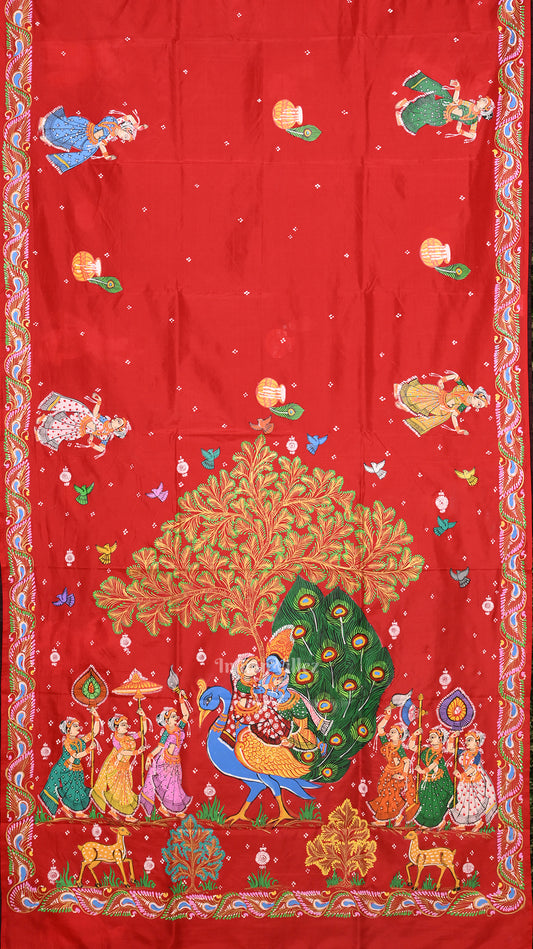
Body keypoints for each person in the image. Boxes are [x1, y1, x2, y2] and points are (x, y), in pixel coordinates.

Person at [39, 106, 147, 173]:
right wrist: (136, 126)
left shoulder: (112, 133)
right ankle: (44, 125)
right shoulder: (115, 124)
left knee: (69, 136)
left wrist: (106, 156)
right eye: (125, 136)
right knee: (68, 131)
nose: (123, 138)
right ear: (125, 129)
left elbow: (102, 144)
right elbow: (129, 117)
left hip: (89, 135)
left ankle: (47, 137)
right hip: (87, 133)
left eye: (125, 139)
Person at [395, 70, 494, 141]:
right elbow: (456, 101)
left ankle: (403, 115)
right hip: (446, 105)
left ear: (484, 109)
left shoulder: (474, 119)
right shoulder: (470, 104)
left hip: (443, 116)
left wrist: (461, 131)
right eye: (483, 99)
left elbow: (473, 135)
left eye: (484, 101)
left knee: (425, 114)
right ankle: (407, 105)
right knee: (427, 104)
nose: (481, 99)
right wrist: (457, 88)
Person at [221, 653, 293, 748]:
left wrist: (272, 685)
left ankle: (282, 732)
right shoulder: (240, 684)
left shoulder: (252, 681)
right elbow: (254, 690)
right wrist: (268, 686)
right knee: (268, 711)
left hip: (254, 708)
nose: (256, 668)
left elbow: (259, 688)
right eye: (252, 666)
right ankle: (282, 737)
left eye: (256, 666)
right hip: (244, 713)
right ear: (242, 669)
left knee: (273, 706)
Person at [35, 390, 130, 457]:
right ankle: (45, 417)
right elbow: (95, 414)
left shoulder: (106, 436)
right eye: (118, 419)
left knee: (63, 430)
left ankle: (41, 434)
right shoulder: (105, 420)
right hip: (84, 418)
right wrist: (99, 402)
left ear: (118, 429)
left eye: (118, 421)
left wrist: (91, 444)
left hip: (81, 429)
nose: (116, 419)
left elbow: (101, 449)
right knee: (69, 416)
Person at [394, 371, 490, 436]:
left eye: (479, 407)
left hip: (442, 409)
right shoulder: (464, 388)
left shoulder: (464, 405)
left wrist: (458, 429)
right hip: (439, 396)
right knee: (421, 395)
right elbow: (456, 376)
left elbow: (454, 415)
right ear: (477, 396)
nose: (476, 407)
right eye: (479, 404)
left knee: (425, 407)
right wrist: (443, 380)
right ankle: (399, 390)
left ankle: (406, 407)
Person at [40, 714, 100, 817]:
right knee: (72, 791)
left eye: (78, 725)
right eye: (75, 726)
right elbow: (75, 755)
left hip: (78, 769)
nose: (79, 727)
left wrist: (97, 717)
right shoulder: (67, 743)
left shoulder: (80, 740)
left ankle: (73, 810)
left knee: (78, 789)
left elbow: (94, 733)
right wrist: (89, 749)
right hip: (67, 769)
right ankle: (75, 811)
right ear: (68, 730)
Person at [367, 706, 418, 826]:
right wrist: (387, 716)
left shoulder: (399, 748)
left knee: (389, 794)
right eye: (390, 732)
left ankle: (382, 820)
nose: (390, 734)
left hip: (398, 773)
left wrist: (403, 775)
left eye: (393, 732)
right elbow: (380, 728)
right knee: (384, 792)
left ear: (400, 735)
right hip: (388, 772)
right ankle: (398, 816)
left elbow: (407, 762)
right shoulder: (387, 744)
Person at [139, 705, 192, 818]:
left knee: (175, 785)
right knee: (171, 785)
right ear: (167, 721)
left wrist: (181, 700)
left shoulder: (179, 727)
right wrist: (150, 755)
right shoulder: (166, 733)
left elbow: (186, 715)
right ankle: (176, 811)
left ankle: (164, 808)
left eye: (175, 716)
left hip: (175, 761)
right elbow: (159, 747)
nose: (176, 718)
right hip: (165, 762)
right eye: (173, 717)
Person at [91, 714, 144, 821]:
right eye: (123, 725)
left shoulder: (129, 737)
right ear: (116, 728)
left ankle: (114, 811)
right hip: (115, 768)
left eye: (126, 724)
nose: (127, 726)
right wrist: (137, 752)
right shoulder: (116, 740)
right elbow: (123, 752)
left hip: (125, 767)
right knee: (121, 791)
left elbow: (142, 733)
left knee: (123, 790)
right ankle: (128, 816)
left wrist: (143, 717)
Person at [447, 729, 497, 830]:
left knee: (472, 803)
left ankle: (478, 822)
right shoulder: (463, 752)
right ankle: (462, 825)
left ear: (477, 742)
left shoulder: (477, 754)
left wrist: (461, 775)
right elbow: (450, 749)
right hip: (464, 782)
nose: (466, 742)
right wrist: (452, 737)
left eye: (469, 740)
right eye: (466, 740)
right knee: (462, 802)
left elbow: (473, 768)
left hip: (475, 781)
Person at [409, 725, 454, 828]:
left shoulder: (439, 753)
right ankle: (427, 823)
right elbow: (412, 747)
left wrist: (422, 771)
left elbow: (433, 765)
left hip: (438, 780)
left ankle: (438, 822)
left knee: (435, 802)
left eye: (433, 737)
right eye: (430, 737)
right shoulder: (425, 749)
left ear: (440, 739)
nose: (430, 739)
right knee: (424, 800)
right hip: (427, 778)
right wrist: (414, 735)